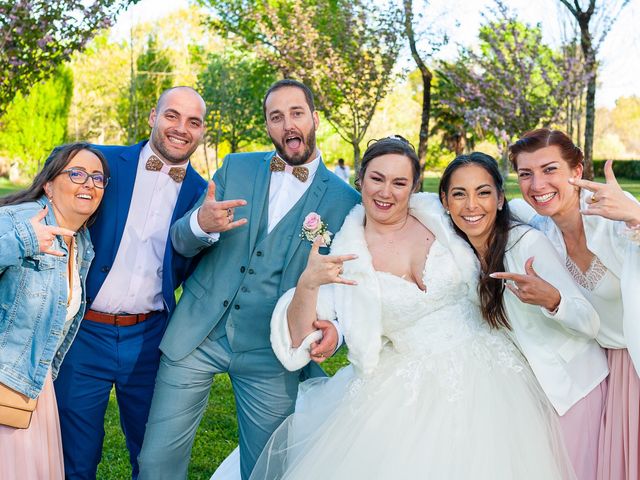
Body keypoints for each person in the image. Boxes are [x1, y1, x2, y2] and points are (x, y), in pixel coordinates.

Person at [248, 136, 575, 479]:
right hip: (405, 387)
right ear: (361, 179)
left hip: (492, 371)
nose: (386, 192)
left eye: (399, 182)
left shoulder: (442, 215)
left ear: (414, 186)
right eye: (377, 179)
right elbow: (298, 340)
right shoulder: (346, 255)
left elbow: (511, 211)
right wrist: (308, 283)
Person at [137, 79, 361, 480]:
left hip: (270, 349)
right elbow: (180, 242)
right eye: (277, 117)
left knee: (268, 468)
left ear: (315, 118)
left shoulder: (345, 202)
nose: (288, 125)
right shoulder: (236, 167)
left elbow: (350, 278)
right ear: (268, 126)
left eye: (296, 113)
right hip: (197, 334)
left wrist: (338, 329)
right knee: (156, 462)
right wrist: (200, 224)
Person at [53, 86, 208, 479]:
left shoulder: (201, 193)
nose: (181, 129)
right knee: (75, 452)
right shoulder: (104, 163)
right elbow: (53, 201)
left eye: (193, 122)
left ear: (202, 131)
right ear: (153, 117)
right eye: (172, 116)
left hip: (151, 337)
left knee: (151, 452)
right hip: (84, 332)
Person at [439, 152, 608, 480]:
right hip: (527, 394)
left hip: (570, 389)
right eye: (459, 194)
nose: (471, 205)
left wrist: (553, 300)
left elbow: (590, 322)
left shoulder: (526, 244)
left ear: (501, 199)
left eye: (483, 192)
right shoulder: (460, 251)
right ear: (444, 201)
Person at [509, 128, 640, 480]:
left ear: (577, 171)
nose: (537, 185)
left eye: (550, 169)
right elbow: (481, 207)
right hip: (607, 369)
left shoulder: (615, 215)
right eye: (525, 174)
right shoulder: (542, 235)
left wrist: (636, 215)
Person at [0, 143, 108, 479]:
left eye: (97, 178)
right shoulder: (18, 219)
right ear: (49, 183)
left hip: (34, 383)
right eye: (76, 173)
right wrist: (24, 242)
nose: (88, 183)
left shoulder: (81, 241)